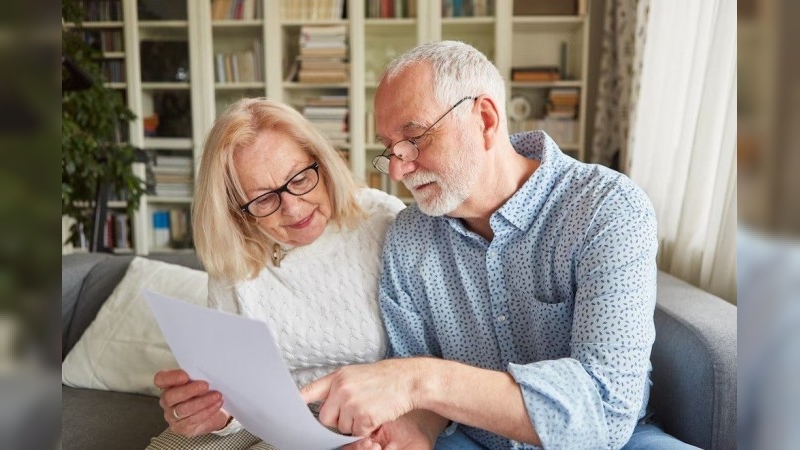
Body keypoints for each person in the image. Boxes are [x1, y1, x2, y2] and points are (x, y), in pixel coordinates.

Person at [300, 41, 697, 449]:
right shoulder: (409, 238)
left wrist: (420, 380)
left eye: (415, 138)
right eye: (392, 149)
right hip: (472, 440)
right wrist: (413, 427)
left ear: (485, 119)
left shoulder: (605, 208)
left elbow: (605, 412)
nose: (399, 169)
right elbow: (421, 399)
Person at [146, 98, 405, 449]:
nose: (293, 208)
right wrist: (215, 412)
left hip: (372, 416)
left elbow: (422, 367)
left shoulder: (383, 221)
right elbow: (236, 389)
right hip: (268, 422)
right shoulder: (235, 255)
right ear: (237, 212)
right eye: (264, 199)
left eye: (299, 178)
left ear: (323, 163)